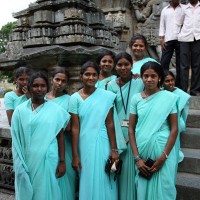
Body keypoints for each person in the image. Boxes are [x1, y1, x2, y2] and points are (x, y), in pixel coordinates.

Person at [11, 71, 70, 200]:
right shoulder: (20, 111)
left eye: (43, 86)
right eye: (35, 86)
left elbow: (60, 137)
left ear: (47, 88)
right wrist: (18, 164)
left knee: (45, 192)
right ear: (29, 87)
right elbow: (16, 140)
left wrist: (62, 161)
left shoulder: (56, 110)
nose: (39, 89)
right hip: (27, 160)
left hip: (48, 159)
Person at [69, 61, 119, 200]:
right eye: (87, 74)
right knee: (88, 177)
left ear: (98, 77)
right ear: (81, 76)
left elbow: (110, 123)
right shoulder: (74, 98)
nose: (90, 78)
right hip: (84, 144)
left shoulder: (106, 96)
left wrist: (114, 149)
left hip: (103, 142)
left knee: (104, 176)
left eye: (94, 75)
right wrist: (75, 155)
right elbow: (75, 128)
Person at [129, 61, 178, 200]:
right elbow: (131, 129)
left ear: (159, 78)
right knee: (143, 189)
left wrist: (164, 157)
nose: (149, 79)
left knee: (165, 188)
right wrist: (137, 158)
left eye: (153, 76)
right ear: (142, 77)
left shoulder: (169, 98)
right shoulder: (136, 98)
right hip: (142, 151)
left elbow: (174, 129)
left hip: (164, 150)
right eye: (146, 76)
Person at [107, 52, 144, 200]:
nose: (123, 68)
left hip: (137, 130)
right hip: (117, 131)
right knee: (121, 172)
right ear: (115, 67)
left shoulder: (140, 82)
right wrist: (119, 139)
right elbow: (110, 113)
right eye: (120, 65)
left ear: (132, 65)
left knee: (135, 171)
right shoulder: (110, 85)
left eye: (126, 64)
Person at [45, 67, 76, 200]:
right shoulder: (43, 97)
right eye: (57, 79)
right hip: (44, 143)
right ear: (51, 80)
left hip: (63, 144)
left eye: (63, 81)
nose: (60, 83)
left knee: (63, 179)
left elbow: (68, 127)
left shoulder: (69, 99)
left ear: (67, 83)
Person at [162, 70, 190, 162]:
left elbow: (180, 113)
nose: (171, 83)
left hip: (176, 121)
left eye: (172, 80)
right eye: (167, 81)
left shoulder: (181, 95)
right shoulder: (160, 92)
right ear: (162, 82)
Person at [159, 0, 184, 88]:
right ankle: (162, 84)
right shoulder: (165, 10)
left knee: (180, 64)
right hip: (168, 39)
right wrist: (162, 38)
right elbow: (162, 25)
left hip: (181, 39)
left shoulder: (183, 9)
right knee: (164, 62)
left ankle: (178, 86)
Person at [178, 0, 200, 96]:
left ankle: (194, 91)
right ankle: (183, 90)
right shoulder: (184, 8)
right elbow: (179, 22)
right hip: (184, 39)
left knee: (197, 65)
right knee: (184, 65)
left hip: (198, 38)